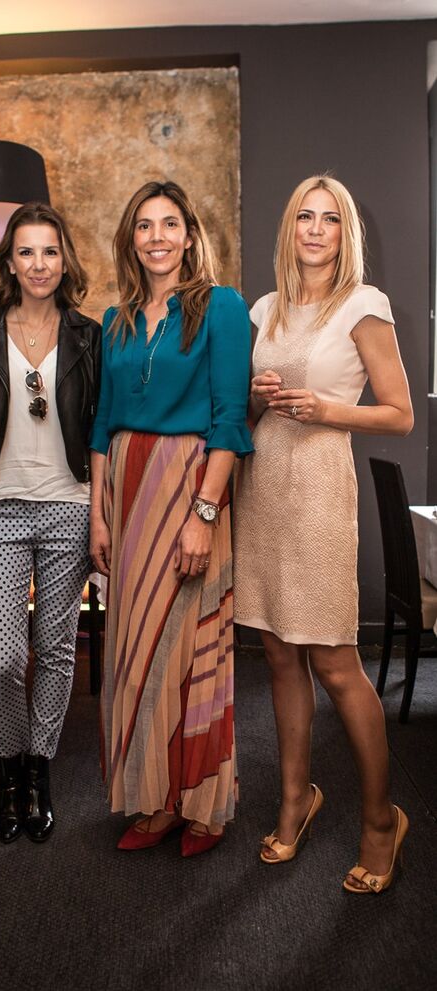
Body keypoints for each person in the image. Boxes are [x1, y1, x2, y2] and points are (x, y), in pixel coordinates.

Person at [233, 175, 413, 893]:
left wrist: (328, 408)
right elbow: (246, 412)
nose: (314, 228)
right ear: (290, 229)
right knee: (280, 654)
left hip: (317, 491)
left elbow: (399, 413)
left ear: (345, 233)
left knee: (336, 662)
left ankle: (381, 819)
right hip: (262, 488)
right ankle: (295, 799)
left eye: (329, 218)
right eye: (304, 216)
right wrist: (256, 398)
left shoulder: (364, 305)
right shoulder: (265, 308)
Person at [90, 180, 253, 858]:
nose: (156, 237)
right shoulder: (116, 319)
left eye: (169, 224)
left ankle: (203, 804)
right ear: (131, 240)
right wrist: (99, 517)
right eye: (144, 226)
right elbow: (102, 423)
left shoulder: (221, 306)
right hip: (126, 493)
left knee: (191, 645)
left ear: (189, 236)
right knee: (134, 650)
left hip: (189, 485)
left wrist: (203, 515)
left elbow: (230, 419)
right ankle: (154, 799)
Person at [0, 202, 101, 844]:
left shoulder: (89, 336)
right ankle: (8, 772)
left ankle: (38, 772)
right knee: (2, 658)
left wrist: (102, 508)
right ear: (9, 263)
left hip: (70, 503)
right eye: (26, 252)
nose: (39, 264)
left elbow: (102, 427)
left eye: (50, 251)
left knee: (56, 649)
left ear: (64, 261)